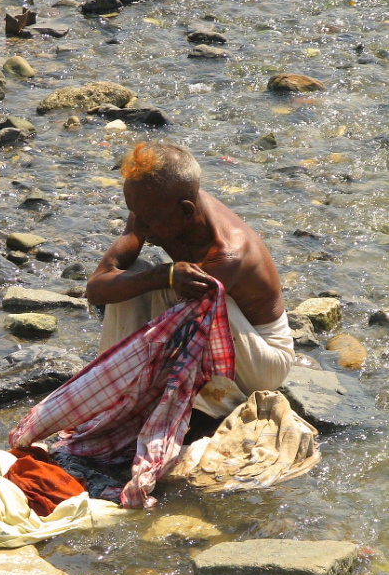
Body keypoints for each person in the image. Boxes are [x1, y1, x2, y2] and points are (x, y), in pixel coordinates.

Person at [86, 141, 295, 419]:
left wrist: (165, 278)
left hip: (263, 361)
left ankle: (135, 398)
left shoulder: (226, 252)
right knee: (137, 272)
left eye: (147, 220)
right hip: (215, 332)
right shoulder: (154, 204)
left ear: (186, 211)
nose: (139, 227)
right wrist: (164, 274)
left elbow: (179, 321)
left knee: (189, 293)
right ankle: (112, 388)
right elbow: (96, 288)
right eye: (134, 213)